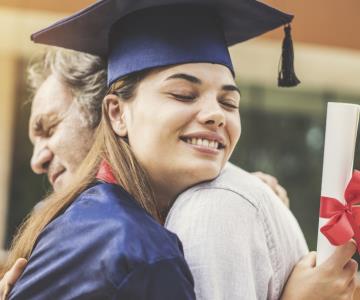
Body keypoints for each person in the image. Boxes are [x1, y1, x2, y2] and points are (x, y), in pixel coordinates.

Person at [1, 1, 358, 299]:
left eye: (229, 102)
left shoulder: (80, 223)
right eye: (183, 95)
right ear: (116, 113)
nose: (216, 114)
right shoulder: (143, 254)